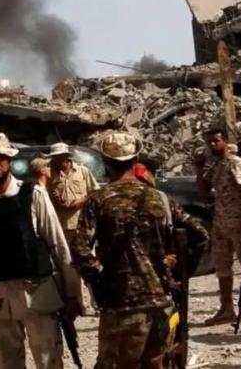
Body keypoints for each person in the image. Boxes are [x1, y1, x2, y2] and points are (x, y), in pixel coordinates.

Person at [0, 132, 80, 369]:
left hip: (37, 296)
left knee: (49, 362)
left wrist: (72, 294)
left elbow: (57, 245)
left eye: (0, 157)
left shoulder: (33, 194)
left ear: (10, 160)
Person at [70, 131, 176, 368]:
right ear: (136, 160)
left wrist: (99, 282)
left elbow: (79, 249)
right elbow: (199, 234)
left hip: (121, 303)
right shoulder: (160, 198)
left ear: (105, 162)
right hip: (161, 301)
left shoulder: (98, 200)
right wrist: (175, 272)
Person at [202, 127, 241, 325]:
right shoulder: (217, 166)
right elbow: (202, 191)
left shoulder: (236, 163)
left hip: (238, 222)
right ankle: (226, 308)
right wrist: (198, 168)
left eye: (216, 141)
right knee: (222, 267)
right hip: (221, 223)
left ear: (225, 141)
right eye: (210, 142)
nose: (213, 145)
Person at [45, 142, 99, 247]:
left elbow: (95, 192)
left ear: (66, 157)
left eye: (59, 157)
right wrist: (56, 200)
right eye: (54, 158)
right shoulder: (50, 175)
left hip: (82, 223)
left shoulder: (82, 171)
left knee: (85, 252)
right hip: (61, 224)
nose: (56, 160)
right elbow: (45, 199)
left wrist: (82, 201)